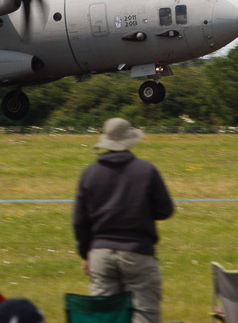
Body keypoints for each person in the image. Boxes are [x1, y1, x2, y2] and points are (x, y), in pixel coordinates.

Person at [72, 117, 174, 323]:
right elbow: (165, 210)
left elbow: (79, 222)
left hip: (100, 254)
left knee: (104, 315)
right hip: (138, 251)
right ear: (129, 141)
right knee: (145, 313)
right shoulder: (146, 170)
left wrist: (86, 255)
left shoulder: (89, 173)